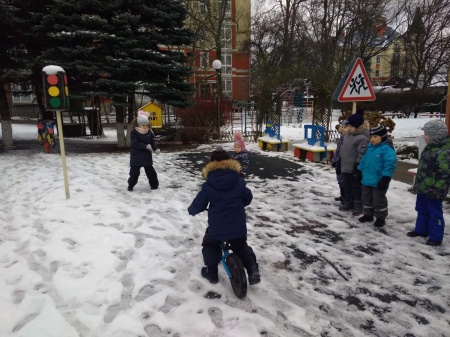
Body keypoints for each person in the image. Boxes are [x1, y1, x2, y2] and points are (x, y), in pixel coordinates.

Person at [188, 146, 260, 285]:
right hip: (238, 226)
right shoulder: (238, 181)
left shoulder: (209, 185)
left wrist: (192, 210)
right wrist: (239, 204)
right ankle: (252, 270)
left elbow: (199, 204)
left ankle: (212, 272)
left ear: (212, 164)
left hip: (217, 228)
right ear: (230, 162)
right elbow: (248, 197)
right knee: (241, 246)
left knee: (210, 245)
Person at [407, 120, 450, 246]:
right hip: (423, 187)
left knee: (434, 212)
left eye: (426, 134)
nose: (424, 136)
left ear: (435, 136)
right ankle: (421, 230)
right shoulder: (430, 148)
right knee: (421, 209)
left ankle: (436, 237)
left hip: (434, 190)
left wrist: (438, 189)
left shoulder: (443, 152)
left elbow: (445, 174)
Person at [356, 125, 397, 227]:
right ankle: (368, 214)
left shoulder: (386, 149)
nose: (372, 139)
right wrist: (359, 171)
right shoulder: (370, 148)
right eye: (371, 137)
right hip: (366, 179)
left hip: (378, 180)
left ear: (382, 137)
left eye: (375, 137)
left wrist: (386, 177)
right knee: (366, 198)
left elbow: (390, 164)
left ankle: (380, 217)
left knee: (378, 200)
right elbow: (364, 160)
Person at [339, 108, 369, 215]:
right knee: (347, 186)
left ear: (358, 127)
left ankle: (358, 205)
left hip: (354, 167)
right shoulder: (347, 136)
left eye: (351, 126)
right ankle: (348, 202)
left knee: (356, 187)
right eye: (349, 126)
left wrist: (357, 165)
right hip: (345, 166)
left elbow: (362, 153)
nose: (349, 128)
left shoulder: (362, 138)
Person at [127, 110, 160, 191]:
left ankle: (154, 185)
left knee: (150, 172)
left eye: (146, 125)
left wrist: (155, 148)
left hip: (146, 156)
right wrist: (145, 146)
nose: (145, 127)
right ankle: (131, 185)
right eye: (143, 125)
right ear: (138, 125)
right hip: (136, 155)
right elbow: (135, 143)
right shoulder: (134, 133)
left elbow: (152, 142)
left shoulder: (149, 132)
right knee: (134, 173)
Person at [331, 120, 349, 203]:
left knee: (345, 181)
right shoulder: (341, 138)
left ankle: (346, 197)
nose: (343, 129)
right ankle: (343, 195)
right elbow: (338, 150)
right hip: (338, 161)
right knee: (340, 179)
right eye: (342, 127)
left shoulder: (349, 138)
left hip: (344, 162)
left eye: (346, 127)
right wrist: (334, 160)